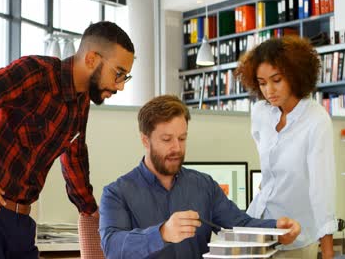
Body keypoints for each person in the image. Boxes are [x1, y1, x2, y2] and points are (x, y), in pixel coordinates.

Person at [0, 21, 135, 258]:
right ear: (91, 60)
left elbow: (74, 156)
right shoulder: (35, 74)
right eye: (118, 73)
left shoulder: (80, 102)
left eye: (125, 77)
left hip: (22, 222)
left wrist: (89, 209)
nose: (119, 86)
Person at [99, 95, 301, 259]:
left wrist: (277, 230)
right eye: (167, 139)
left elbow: (241, 225)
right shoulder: (117, 193)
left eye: (182, 138)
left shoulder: (204, 185)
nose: (177, 148)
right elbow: (112, 247)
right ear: (145, 140)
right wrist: (162, 234)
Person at [235, 36, 337, 259]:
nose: (269, 90)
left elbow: (322, 189)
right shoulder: (261, 113)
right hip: (258, 227)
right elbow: (268, 164)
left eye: (277, 80)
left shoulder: (316, 120)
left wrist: (328, 251)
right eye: (262, 83)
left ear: (294, 74)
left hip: (296, 237)